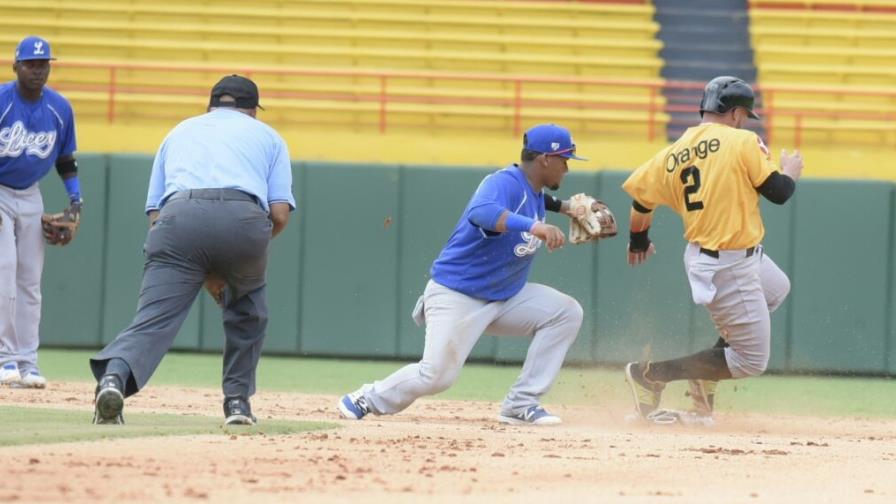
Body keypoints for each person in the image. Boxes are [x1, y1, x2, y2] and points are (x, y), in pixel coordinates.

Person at [338, 123, 589, 425]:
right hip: (458, 295)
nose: (567, 168)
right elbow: (481, 213)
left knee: (565, 312)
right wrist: (535, 226)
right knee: (436, 376)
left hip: (505, 297)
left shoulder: (533, 191)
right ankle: (368, 396)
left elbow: (539, 200)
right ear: (545, 160)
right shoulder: (502, 182)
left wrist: (566, 208)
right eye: (564, 160)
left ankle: (521, 403)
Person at [89, 75, 295, 425]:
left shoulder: (179, 131)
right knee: (248, 313)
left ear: (210, 105)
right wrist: (239, 258)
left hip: (177, 219)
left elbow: (156, 212)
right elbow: (278, 214)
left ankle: (114, 378)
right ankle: (237, 403)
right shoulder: (269, 137)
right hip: (243, 220)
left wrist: (197, 267)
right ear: (252, 111)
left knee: (153, 319)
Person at [620, 76, 803, 424]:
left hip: (716, 254)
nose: (746, 120)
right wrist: (790, 172)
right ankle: (650, 375)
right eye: (745, 114)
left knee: (776, 288)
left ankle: (707, 370)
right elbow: (779, 192)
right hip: (729, 261)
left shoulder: (672, 152)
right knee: (751, 361)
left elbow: (641, 201)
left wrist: (638, 240)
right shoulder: (742, 140)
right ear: (734, 113)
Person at [0, 36, 80, 389]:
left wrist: (75, 202)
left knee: (30, 281)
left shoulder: (60, 108)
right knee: (4, 271)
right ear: (15, 66)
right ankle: (4, 358)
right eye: (31, 63)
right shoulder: (2, 101)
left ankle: (27, 362)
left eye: (43, 63)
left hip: (31, 194)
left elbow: (66, 161)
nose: (38, 69)